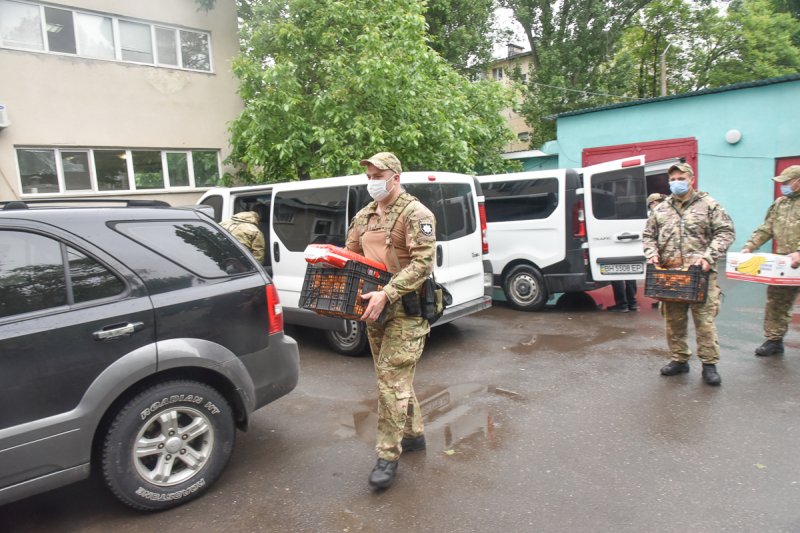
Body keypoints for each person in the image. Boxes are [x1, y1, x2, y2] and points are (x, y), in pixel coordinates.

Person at [345, 152, 437, 489]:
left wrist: (388, 291)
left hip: (406, 310)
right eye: (369, 175)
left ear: (395, 177)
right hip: (374, 308)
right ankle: (413, 435)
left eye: (377, 174)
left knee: (390, 381)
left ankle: (387, 455)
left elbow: (423, 264)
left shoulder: (416, 213)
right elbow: (351, 256)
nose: (372, 180)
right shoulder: (364, 215)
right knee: (394, 380)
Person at [642, 162, 735, 386]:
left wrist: (708, 257)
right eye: (672, 179)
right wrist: (652, 254)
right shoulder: (661, 209)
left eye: (680, 178)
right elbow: (648, 235)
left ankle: (709, 364)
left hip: (700, 275)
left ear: (691, 179)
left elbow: (725, 232)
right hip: (670, 275)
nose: (676, 182)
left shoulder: (708, 205)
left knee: (704, 322)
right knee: (673, 320)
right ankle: (679, 359)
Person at [741, 165, 800, 357]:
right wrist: (750, 246)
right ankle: (774, 340)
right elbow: (766, 228)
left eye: (787, 182)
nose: (783, 186)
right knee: (777, 302)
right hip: (785, 263)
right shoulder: (779, 204)